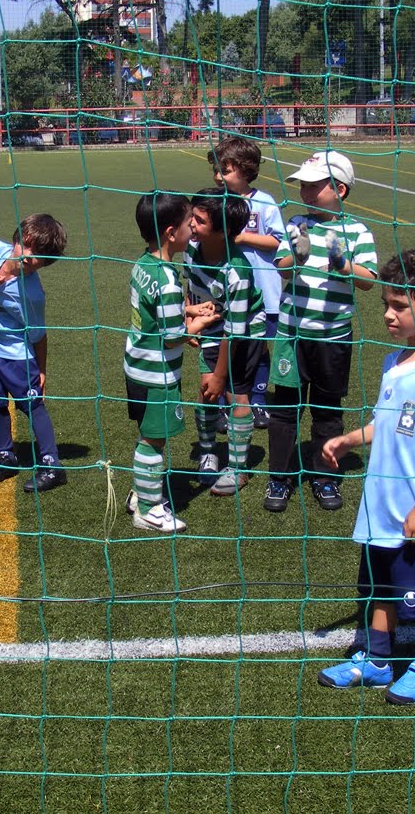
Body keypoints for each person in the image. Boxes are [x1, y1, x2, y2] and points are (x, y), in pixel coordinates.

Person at [317, 247, 415, 705]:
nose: (388, 314)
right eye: (386, 303)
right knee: (378, 583)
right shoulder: (393, 362)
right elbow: (391, 425)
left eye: (400, 305)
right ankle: (377, 659)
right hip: (380, 505)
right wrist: (349, 439)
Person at [264, 150, 378, 513]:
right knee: (284, 410)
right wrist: (295, 257)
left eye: (315, 186)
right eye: (304, 186)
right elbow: (281, 269)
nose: (306, 193)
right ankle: (279, 480)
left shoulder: (358, 231)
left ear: (340, 190)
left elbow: (369, 281)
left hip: (333, 339)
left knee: (327, 411)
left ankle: (324, 477)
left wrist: (345, 265)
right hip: (291, 337)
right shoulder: (297, 223)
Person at [123, 191, 220, 533]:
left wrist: (189, 309)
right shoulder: (167, 280)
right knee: (155, 440)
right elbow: (172, 336)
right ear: (169, 232)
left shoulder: (143, 264)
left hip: (136, 365)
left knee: (147, 434)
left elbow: (154, 315)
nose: (192, 227)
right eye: (187, 222)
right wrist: (202, 322)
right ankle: (149, 509)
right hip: (157, 372)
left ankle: (141, 492)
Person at [0, 213, 69, 494]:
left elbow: (39, 335)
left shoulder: (31, 294)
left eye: (38, 257)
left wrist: (42, 370)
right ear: (16, 239)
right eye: (27, 246)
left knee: (33, 405)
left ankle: (52, 465)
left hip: (17, 356)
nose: (28, 257)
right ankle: (6, 457)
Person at [182, 188, 265, 496]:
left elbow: (236, 332)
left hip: (243, 334)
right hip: (212, 326)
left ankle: (238, 468)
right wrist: (193, 321)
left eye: (200, 220)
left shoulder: (238, 271)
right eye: (193, 215)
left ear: (225, 231)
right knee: (206, 393)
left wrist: (220, 374)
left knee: (235, 395)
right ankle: (207, 453)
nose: (191, 223)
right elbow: (190, 286)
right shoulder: (193, 249)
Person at [208, 137, 284, 429]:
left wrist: (241, 237)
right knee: (227, 346)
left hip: (264, 292)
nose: (218, 177)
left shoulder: (264, 202)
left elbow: (278, 241)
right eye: (215, 170)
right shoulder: (216, 203)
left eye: (224, 171)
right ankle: (227, 403)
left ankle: (259, 401)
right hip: (226, 292)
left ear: (246, 170)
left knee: (259, 348)